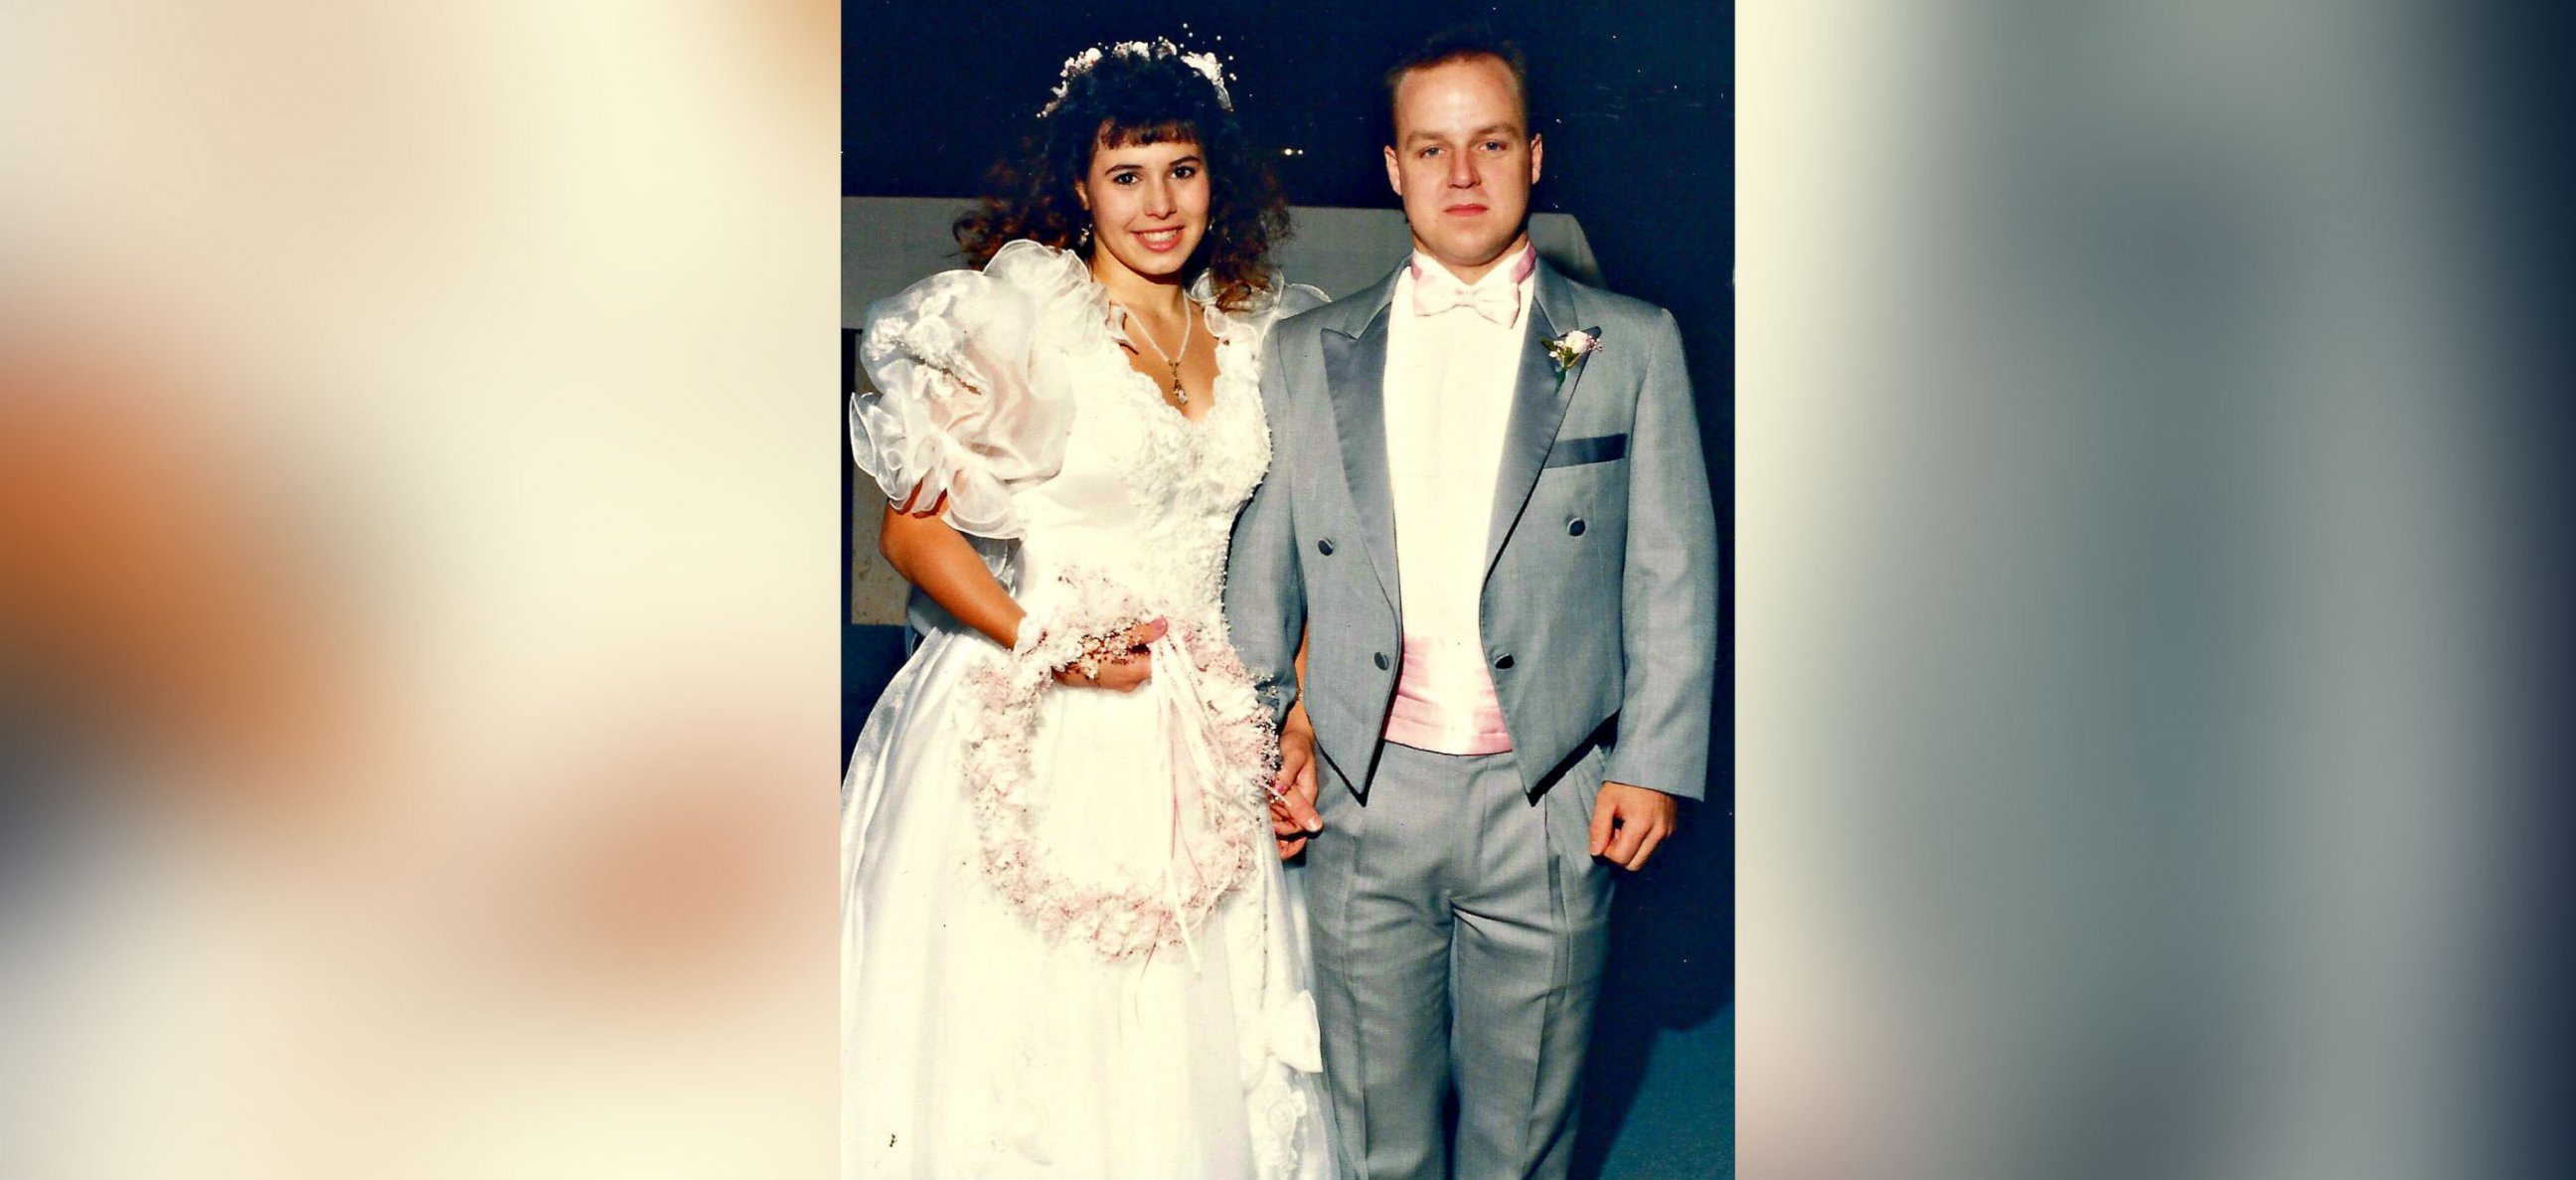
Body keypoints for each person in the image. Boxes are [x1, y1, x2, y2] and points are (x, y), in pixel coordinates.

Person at [1224, 28, 1720, 1180]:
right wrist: (1259, 750)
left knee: (1524, 1137)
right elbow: (1265, 576)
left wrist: (1650, 759)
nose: (1461, 176)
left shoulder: (1631, 343)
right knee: (1374, 1134)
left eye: (1489, 144)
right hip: (1360, 789)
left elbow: (1673, 573)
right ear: (1392, 168)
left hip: (1547, 788)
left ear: (1534, 157)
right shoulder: (1307, 350)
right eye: (1430, 148)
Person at [842, 39, 1335, 1179]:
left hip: (1204, 726)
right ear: (1079, 186)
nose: (1159, 204)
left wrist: (1296, 716)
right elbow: (913, 531)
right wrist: (1048, 643)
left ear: (1219, 179)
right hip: (1034, 710)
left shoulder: (1259, 337)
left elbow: (1297, 548)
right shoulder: (1023, 324)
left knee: (1200, 1038)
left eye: (1182, 169)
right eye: (1127, 174)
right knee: (1037, 1042)